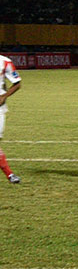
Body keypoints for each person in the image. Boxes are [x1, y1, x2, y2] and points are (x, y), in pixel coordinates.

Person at [0, 53, 22, 184]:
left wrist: (4, 96)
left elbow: (17, 83)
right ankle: (9, 174)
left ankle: (10, 174)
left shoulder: (4, 62)